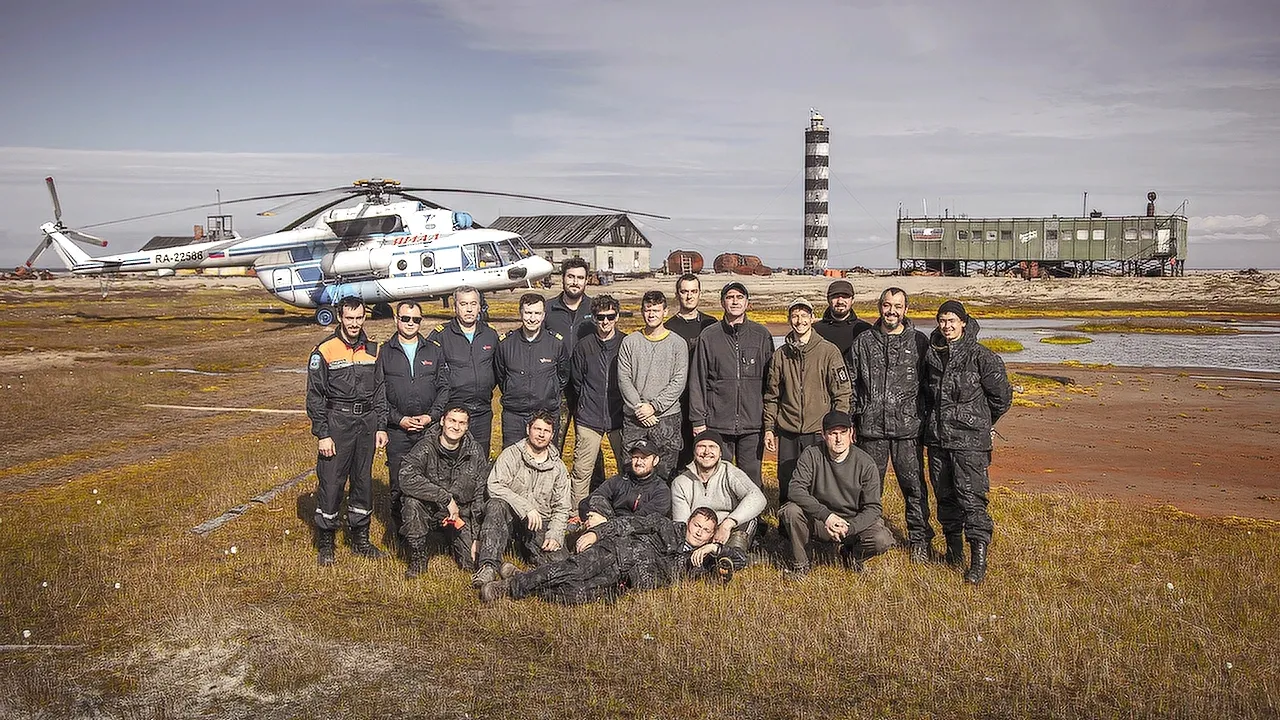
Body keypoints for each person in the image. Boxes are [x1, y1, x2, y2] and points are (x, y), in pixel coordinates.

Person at [478, 508, 746, 604]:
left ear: (712, 534)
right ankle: (510, 587)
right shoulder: (665, 526)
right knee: (574, 571)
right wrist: (596, 534)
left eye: (706, 531)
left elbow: (741, 560)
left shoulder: (702, 559)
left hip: (622, 583)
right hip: (614, 552)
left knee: (574, 594)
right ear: (688, 522)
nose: (699, 533)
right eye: (696, 525)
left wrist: (716, 549)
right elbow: (626, 524)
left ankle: (523, 577)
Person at [922, 300, 1013, 584]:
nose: (946, 326)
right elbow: (927, 394)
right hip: (938, 439)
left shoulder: (982, 357)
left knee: (972, 500)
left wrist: (979, 421)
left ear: (963, 322)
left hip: (970, 444)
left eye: (951, 321)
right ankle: (954, 552)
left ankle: (978, 562)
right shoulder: (932, 355)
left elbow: (1002, 398)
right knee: (945, 498)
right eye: (942, 320)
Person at [849, 287, 933, 563]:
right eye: (887, 305)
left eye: (897, 306)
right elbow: (850, 384)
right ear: (879, 308)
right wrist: (851, 420)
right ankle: (866, 539)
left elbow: (930, 386)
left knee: (914, 488)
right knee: (869, 489)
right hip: (870, 430)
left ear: (906, 310)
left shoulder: (919, 342)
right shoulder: (863, 342)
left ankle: (920, 540)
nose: (892, 311)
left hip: (908, 430)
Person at [305, 296, 389, 566]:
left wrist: (381, 426)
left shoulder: (373, 350)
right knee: (331, 482)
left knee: (363, 482)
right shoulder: (324, 350)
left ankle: (360, 540)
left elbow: (380, 391)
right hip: (337, 422)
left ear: (365, 317)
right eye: (349, 318)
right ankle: (326, 541)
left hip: (366, 423)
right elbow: (315, 396)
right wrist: (323, 433)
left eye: (359, 318)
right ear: (340, 317)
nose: (354, 323)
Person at [779, 411, 895, 578]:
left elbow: (873, 508)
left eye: (843, 433)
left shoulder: (866, 463)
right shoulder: (811, 454)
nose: (839, 439)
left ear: (851, 433)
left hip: (852, 523)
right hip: (821, 521)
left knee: (881, 539)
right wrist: (826, 516)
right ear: (824, 435)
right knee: (791, 511)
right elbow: (795, 489)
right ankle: (801, 565)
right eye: (833, 434)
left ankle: (852, 556)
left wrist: (850, 528)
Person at [763, 297, 852, 505]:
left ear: (812, 318)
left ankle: (821, 528)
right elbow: (772, 395)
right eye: (795, 315)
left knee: (820, 480)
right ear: (789, 319)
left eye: (804, 315)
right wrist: (769, 427)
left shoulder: (829, 351)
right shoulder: (780, 355)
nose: (799, 320)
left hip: (818, 430)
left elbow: (842, 392)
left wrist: (839, 427)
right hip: (789, 431)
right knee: (787, 480)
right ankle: (788, 529)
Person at [376, 300, 450, 544]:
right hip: (399, 432)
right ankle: (403, 536)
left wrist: (432, 416)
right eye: (405, 318)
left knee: (432, 481)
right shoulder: (385, 353)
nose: (410, 323)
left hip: (428, 430)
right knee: (399, 484)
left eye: (415, 319)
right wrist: (399, 420)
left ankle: (432, 534)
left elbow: (444, 387)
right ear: (397, 320)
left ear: (421, 321)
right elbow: (379, 394)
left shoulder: (434, 350)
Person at [687, 281, 773, 489]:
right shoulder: (709, 336)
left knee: (751, 479)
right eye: (730, 297)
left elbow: (771, 383)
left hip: (752, 424)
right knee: (717, 478)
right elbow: (697, 379)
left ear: (747, 303)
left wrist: (769, 422)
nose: (735, 302)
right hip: (717, 423)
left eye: (739, 297)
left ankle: (752, 520)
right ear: (722, 302)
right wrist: (698, 420)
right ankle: (718, 518)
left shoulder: (761, 336)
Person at [472, 411, 571, 586]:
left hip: (540, 522)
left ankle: (518, 575)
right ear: (528, 429)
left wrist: (555, 534)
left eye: (546, 431)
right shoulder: (511, 455)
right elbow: (494, 485)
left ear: (552, 435)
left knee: (561, 565)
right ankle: (488, 567)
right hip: (510, 519)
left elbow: (562, 507)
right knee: (495, 505)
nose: (541, 434)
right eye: (537, 429)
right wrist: (526, 507)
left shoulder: (559, 467)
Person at [398, 406, 490, 578]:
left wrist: (477, 537)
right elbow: (406, 478)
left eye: (461, 423)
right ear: (442, 421)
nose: (456, 427)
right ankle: (418, 556)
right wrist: (446, 499)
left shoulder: (475, 451)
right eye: (452, 421)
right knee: (412, 503)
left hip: (460, 514)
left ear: (467, 426)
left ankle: (451, 540)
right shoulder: (426, 446)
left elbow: (480, 494)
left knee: (470, 565)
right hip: (431, 509)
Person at [617, 290, 688, 482]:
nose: (651, 314)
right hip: (635, 418)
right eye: (648, 310)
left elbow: (679, 380)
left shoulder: (677, 344)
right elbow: (624, 378)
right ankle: (628, 510)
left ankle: (662, 510)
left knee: (665, 471)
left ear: (665, 312)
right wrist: (640, 408)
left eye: (656, 310)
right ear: (642, 311)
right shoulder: (630, 342)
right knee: (631, 469)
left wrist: (654, 407)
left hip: (666, 418)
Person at [428, 286, 500, 458]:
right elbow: (430, 371)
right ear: (455, 307)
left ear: (480, 306)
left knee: (479, 459)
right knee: (450, 459)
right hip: (454, 411)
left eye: (473, 304)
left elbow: (500, 369)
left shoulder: (490, 334)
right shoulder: (441, 335)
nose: (469, 309)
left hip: (482, 410)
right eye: (463, 304)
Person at [568, 294, 625, 508]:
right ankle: (576, 513)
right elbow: (577, 380)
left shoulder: (625, 343)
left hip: (619, 418)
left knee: (626, 469)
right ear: (594, 318)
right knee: (581, 471)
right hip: (589, 418)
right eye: (600, 317)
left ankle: (623, 511)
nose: (605, 322)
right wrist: (585, 405)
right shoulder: (584, 346)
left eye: (610, 317)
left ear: (617, 317)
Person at [670, 429, 767, 553]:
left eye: (712, 447)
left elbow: (758, 497)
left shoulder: (729, 472)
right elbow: (681, 524)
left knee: (748, 519)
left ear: (720, 453)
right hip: (700, 532)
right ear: (694, 452)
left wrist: (728, 524)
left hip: (729, 528)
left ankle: (732, 557)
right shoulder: (680, 482)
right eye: (701, 446)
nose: (706, 452)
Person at [495, 293, 570, 449]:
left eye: (537, 313)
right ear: (521, 313)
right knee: (512, 461)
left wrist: (549, 390)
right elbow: (501, 376)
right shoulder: (505, 344)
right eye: (528, 313)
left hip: (546, 414)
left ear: (543, 315)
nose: (532, 318)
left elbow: (562, 376)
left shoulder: (555, 343)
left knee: (546, 461)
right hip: (514, 415)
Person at [665, 273, 717, 469]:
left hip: (707, 400)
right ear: (677, 294)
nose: (689, 296)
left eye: (693, 291)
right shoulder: (668, 327)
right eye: (684, 291)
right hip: (679, 401)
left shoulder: (711, 325)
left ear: (700, 293)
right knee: (681, 455)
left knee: (707, 453)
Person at [545, 258, 595, 454]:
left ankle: (594, 485)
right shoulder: (548, 309)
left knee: (589, 445)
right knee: (553, 442)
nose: (575, 282)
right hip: (558, 388)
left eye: (580, 278)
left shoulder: (595, 309)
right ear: (562, 278)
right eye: (571, 277)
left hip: (587, 388)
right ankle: (548, 482)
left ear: (586, 281)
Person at [578, 439, 672, 529]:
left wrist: (606, 523)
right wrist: (593, 517)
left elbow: (641, 522)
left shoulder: (661, 491)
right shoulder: (618, 480)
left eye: (644, 458)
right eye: (635, 457)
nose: (639, 462)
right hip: (604, 528)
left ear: (655, 461)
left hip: (639, 537)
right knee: (596, 501)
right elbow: (585, 503)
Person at [813, 279, 872, 357]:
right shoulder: (815, 330)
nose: (840, 301)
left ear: (852, 300)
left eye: (845, 297)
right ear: (828, 299)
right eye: (835, 297)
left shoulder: (865, 330)